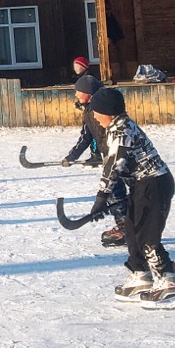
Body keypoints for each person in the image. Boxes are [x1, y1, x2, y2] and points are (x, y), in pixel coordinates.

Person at [88, 87, 175, 304]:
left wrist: (102, 197)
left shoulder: (122, 131)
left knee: (146, 235)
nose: (93, 116)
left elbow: (114, 166)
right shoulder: (115, 126)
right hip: (141, 185)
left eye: (96, 111)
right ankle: (141, 273)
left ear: (108, 112)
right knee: (131, 229)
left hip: (154, 184)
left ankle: (166, 278)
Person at [63, 74, 127, 248]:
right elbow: (86, 137)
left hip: (117, 157)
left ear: (89, 94)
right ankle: (127, 225)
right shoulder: (88, 113)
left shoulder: (103, 110)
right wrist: (72, 156)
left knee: (115, 192)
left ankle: (126, 228)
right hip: (108, 157)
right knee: (114, 192)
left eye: (78, 92)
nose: (76, 95)